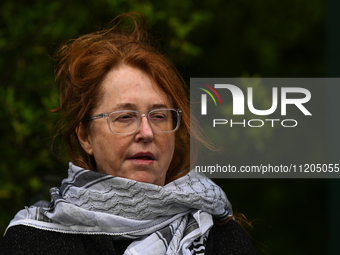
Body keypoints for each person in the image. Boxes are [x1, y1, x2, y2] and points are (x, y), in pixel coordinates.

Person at [0, 13, 257, 255]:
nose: (146, 132)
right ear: (85, 136)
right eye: (125, 117)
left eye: (159, 116)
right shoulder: (33, 241)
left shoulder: (220, 239)